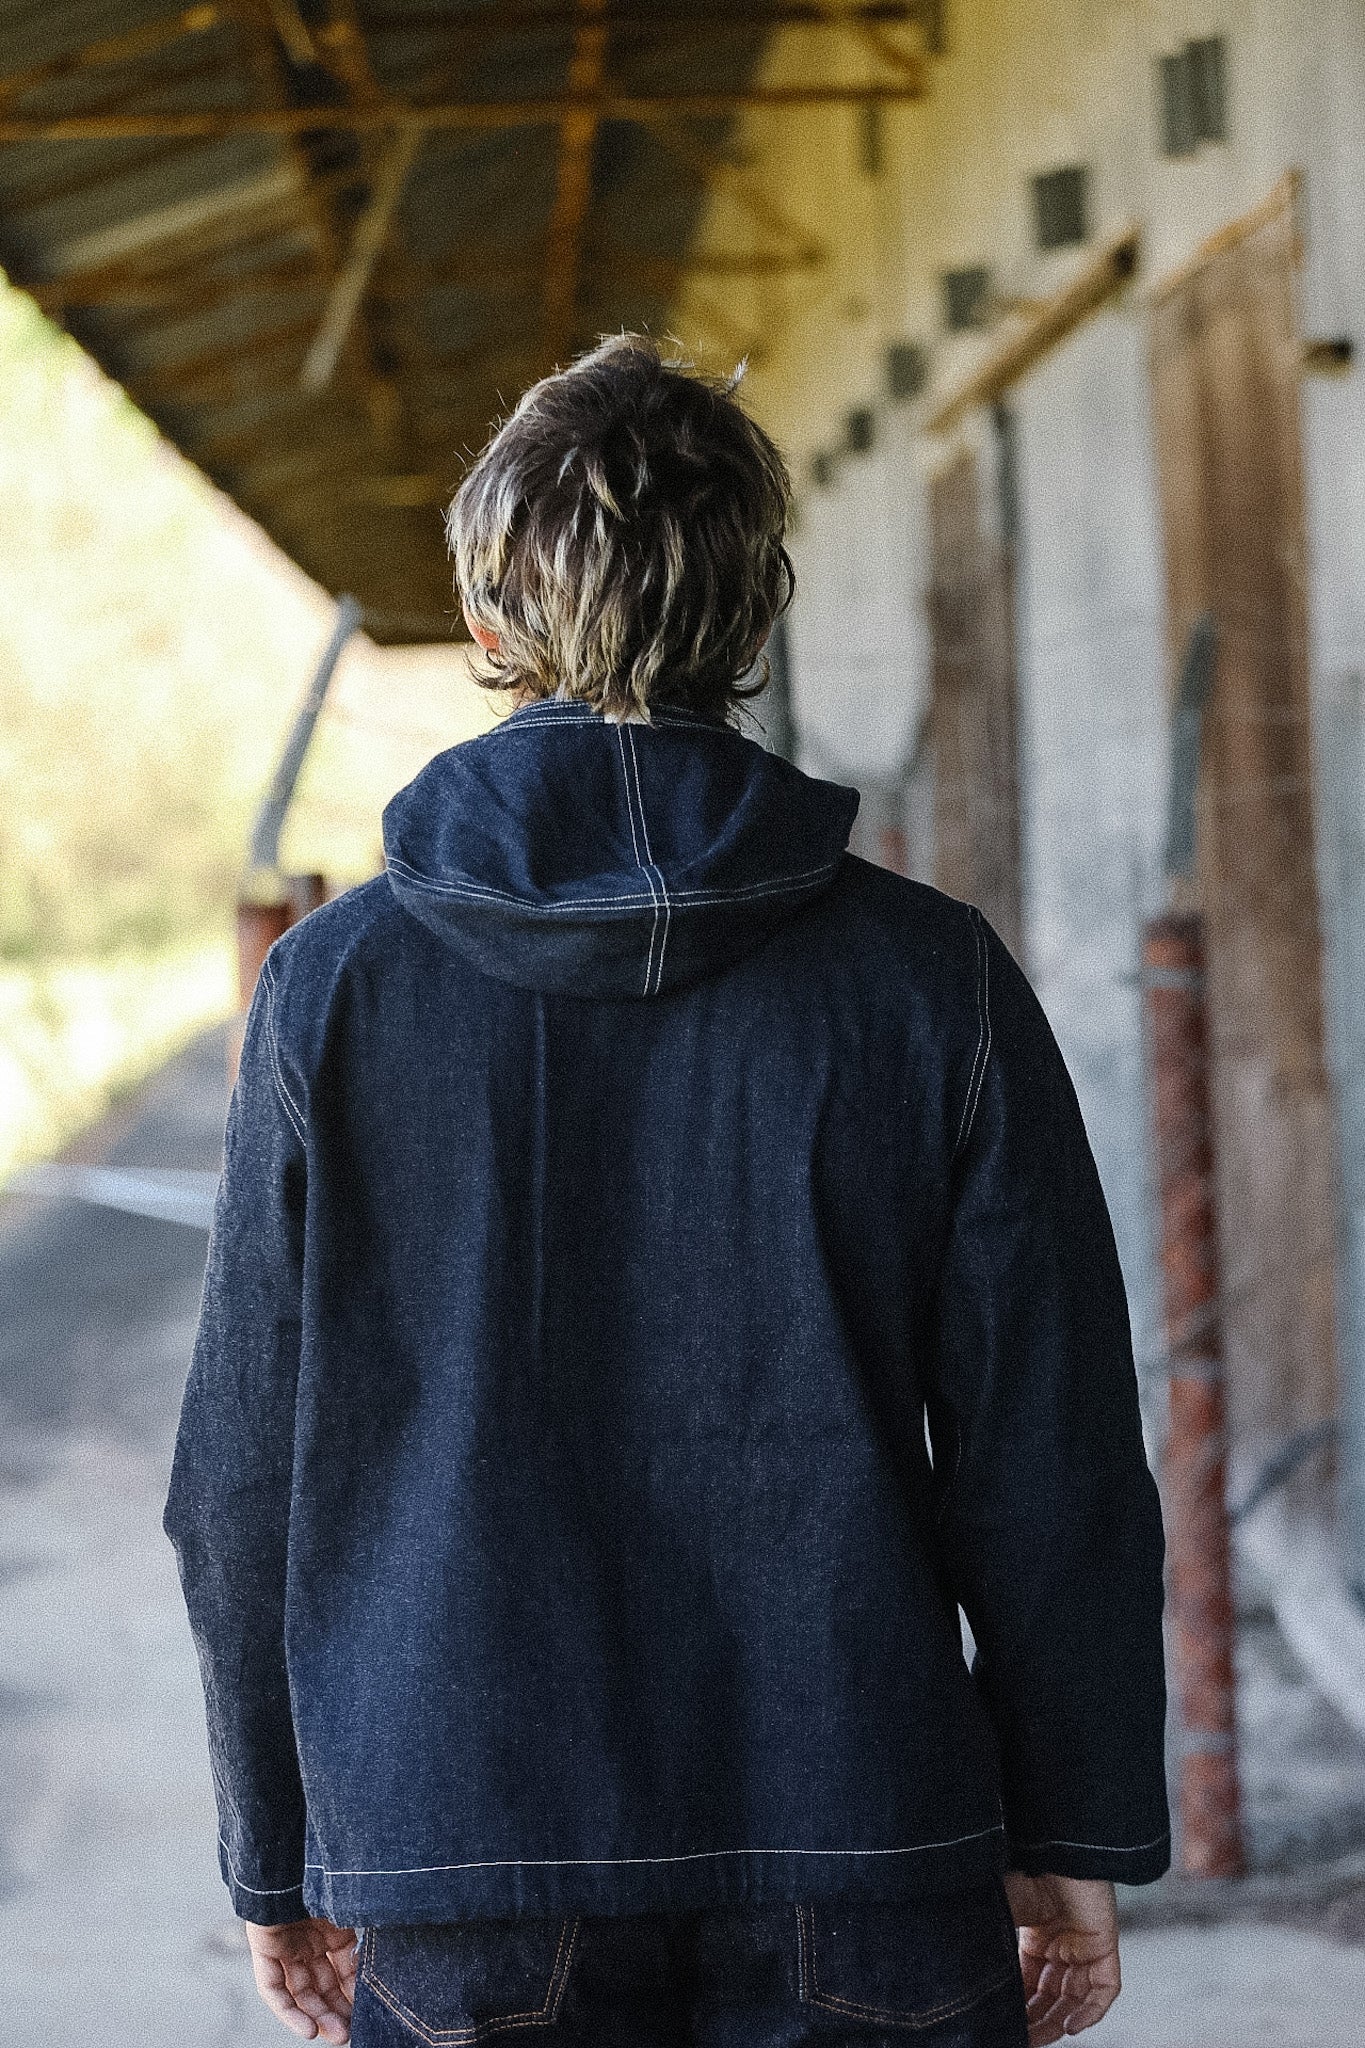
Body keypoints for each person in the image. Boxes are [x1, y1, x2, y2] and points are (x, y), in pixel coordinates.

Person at [165, 335, 1169, 2048]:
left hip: (459, 1832)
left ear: (486, 621)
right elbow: (1047, 1453)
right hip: (865, 1816)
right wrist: (1071, 1830)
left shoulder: (329, 991)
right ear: (752, 612)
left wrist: (280, 1852)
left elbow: (240, 1476)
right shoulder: (928, 977)